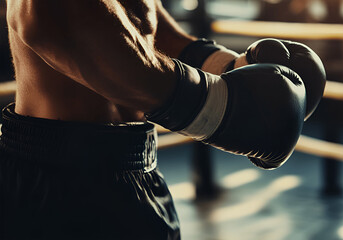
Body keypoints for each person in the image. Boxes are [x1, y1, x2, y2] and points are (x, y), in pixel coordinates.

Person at [0, 0, 325, 239]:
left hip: (137, 164)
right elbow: (45, 16)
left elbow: (143, 24)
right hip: (57, 183)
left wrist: (227, 66)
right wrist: (213, 108)